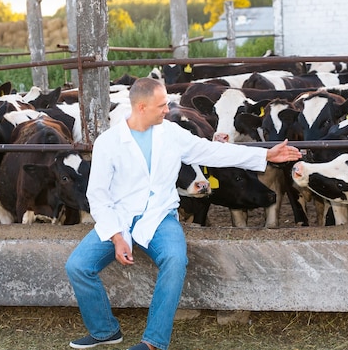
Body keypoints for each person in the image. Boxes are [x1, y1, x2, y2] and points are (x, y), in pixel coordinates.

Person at [65, 77, 302, 350]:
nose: (167, 110)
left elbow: (211, 152)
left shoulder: (171, 133)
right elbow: (98, 195)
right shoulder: (109, 142)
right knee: (78, 266)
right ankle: (104, 330)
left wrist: (264, 156)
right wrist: (117, 236)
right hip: (119, 217)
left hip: (159, 216)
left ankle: (153, 341)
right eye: (161, 105)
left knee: (175, 260)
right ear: (141, 107)